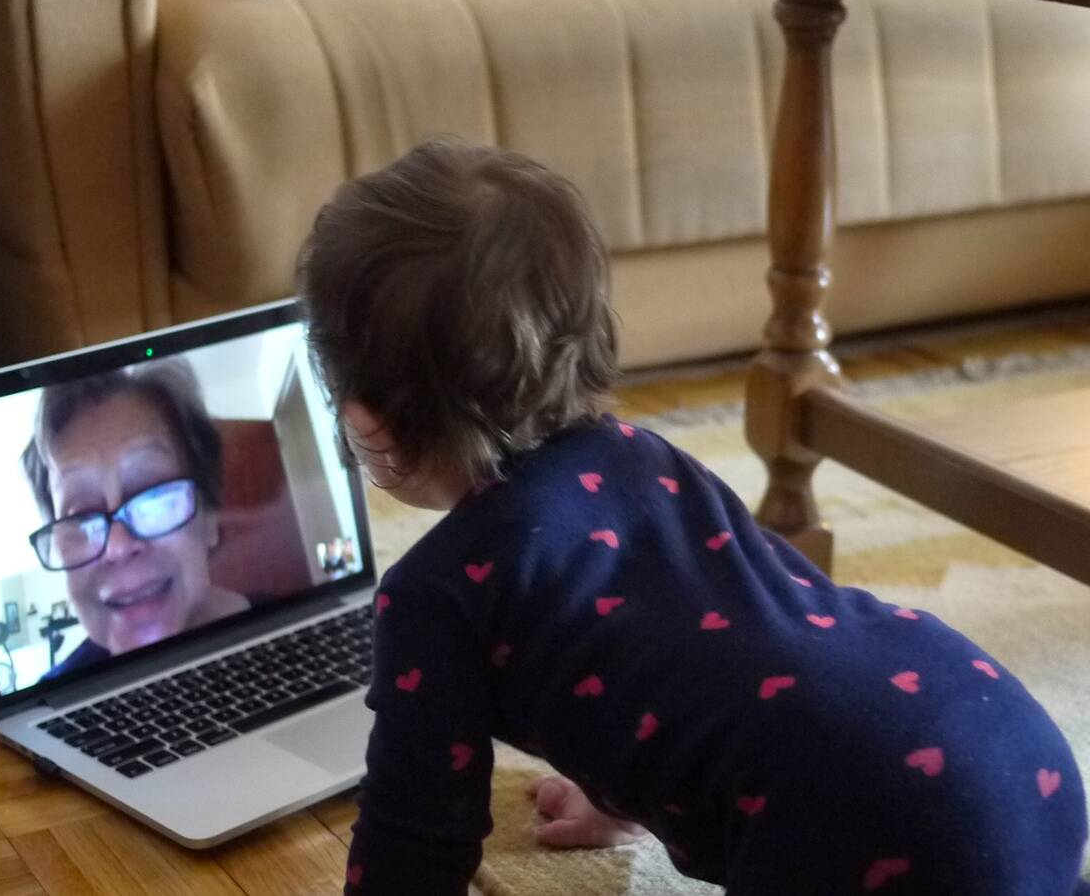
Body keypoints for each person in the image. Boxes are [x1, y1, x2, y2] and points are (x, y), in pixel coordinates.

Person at [299, 138, 1090, 895]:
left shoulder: (434, 595)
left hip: (862, 822)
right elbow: (705, 634)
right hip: (1010, 750)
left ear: (365, 418)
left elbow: (415, 834)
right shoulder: (645, 456)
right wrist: (622, 795)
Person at [22, 358, 249, 679]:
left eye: (153, 495)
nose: (117, 546)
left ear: (208, 517)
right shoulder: (49, 705)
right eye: (82, 516)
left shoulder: (299, 637)